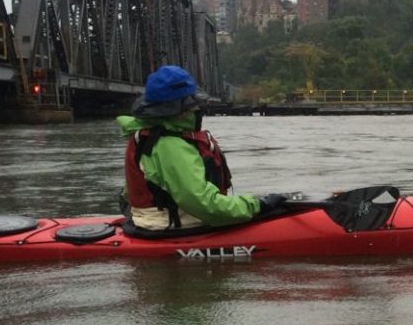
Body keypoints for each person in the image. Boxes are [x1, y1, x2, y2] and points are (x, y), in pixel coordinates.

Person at [117, 65, 286, 232]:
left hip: (150, 221)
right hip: (173, 226)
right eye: (193, 106)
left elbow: (128, 193)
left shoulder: (144, 135)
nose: (197, 110)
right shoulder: (170, 146)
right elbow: (200, 202)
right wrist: (257, 205)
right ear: (181, 110)